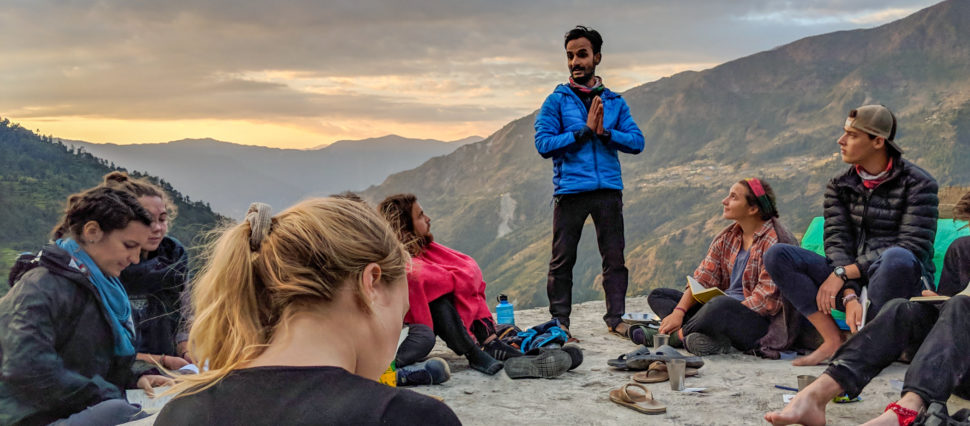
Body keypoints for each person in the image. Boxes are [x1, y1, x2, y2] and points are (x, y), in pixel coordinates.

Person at [156, 199, 460, 425]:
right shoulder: (408, 417)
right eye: (401, 312)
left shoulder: (182, 412)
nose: (397, 333)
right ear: (372, 283)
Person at [766, 192, 970, 425]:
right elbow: (948, 310)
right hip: (959, 369)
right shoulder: (963, 250)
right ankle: (816, 394)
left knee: (961, 304)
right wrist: (937, 300)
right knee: (901, 308)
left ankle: (908, 409)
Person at [765, 104, 939, 366]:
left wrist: (844, 274)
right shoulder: (840, 184)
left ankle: (869, 349)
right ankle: (832, 340)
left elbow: (913, 247)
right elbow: (837, 242)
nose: (841, 140)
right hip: (848, 276)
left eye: (852, 135)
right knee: (778, 255)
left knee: (896, 257)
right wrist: (848, 292)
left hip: (898, 280)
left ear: (878, 141)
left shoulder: (919, 184)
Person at [0, 186, 171, 425]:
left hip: (70, 410)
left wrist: (136, 377)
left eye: (139, 249)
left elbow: (89, 362)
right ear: (92, 232)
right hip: (31, 418)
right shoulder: (41, 287)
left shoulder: (102, 286)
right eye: (129, 245)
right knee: (118, 413)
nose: (134, 258)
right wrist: (107, 396)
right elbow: (27, 369)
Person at [534, 25, 644, 338]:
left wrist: (605, 133)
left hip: (608, 189)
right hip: (570, 190)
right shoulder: (555, 101)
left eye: (582, 54)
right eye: (570, 56)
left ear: (596, 57)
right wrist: (583, 132)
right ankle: (560, 322)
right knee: (562, 259)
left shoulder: (615, 102)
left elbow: (637, 141)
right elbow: (543, 144)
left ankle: (615, 319)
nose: (574, 62)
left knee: (614, 258)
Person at [649, 179, 798, 356]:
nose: (724, 201)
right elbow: (702, 278)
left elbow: (765, 302)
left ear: (753, 209)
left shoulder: (776, 242)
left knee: (720, 306)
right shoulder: (729, 236)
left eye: (733, 197)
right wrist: (679, 312)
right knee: (659, 295)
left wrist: (716, 312)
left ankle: (674, 337)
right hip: (721, 309)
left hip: (760, 326)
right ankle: (711, 338)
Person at [378, 194, 515, 375]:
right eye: (419, 216)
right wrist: (453, 280)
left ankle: (486, 345)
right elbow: (423, 279)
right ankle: (385, 370)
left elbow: (462, 272)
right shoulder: (394, 260)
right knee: (431, 318)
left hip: (414, 328)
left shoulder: (423, 250)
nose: (428, 219)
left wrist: (451, 279)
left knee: (437, 303)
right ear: (404, 227)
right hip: (388, 337)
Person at [101, 172, 194, 370]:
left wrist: (187, 351)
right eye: (147, 220)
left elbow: (183, 318)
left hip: (169, 376)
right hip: (116, 377)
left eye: (162, 219)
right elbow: (98, 348)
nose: (157, 228)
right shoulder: (104, 268)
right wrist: (162, 361)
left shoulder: (173, 261)